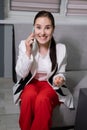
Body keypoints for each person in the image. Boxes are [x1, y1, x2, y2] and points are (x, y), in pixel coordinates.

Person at [15, 10, 73, 130]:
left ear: (53, 29)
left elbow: (61, 72)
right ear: (33, 28)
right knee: (29, 96)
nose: (42, 32)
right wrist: (28, 51)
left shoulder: (61, 48)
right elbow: (21, 73)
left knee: (42, 99)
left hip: (49, 84)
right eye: (38, 27)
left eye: (47, 28)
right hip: (30, 83)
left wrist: (60, 78)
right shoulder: (24, 45)